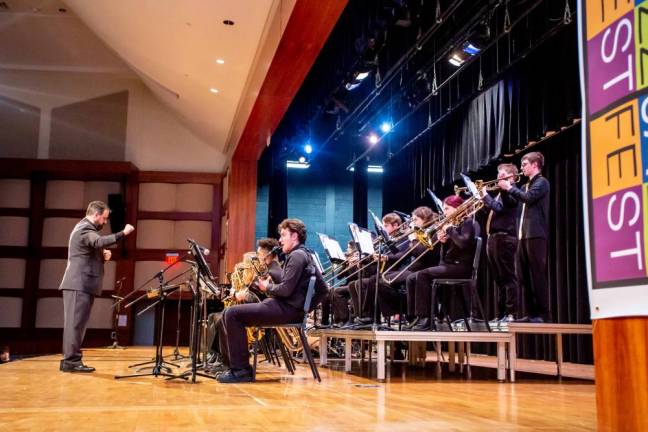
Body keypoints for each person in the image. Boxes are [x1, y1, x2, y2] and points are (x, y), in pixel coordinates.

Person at [217, 218, 326, 383]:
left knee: (232, 314)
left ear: (294, 236)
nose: (280, 240)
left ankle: (240, 370)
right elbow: (323, 289)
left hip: (284, 308)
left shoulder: (296, 256)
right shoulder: (306, 254)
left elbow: (285, 289)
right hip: (287, 309)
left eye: (283, 235)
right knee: (228, 313)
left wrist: (266, 287)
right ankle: (235, 367)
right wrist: (304, 310)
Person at [59, 201, 134, 372]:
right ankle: (71, 361)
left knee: (77, 324)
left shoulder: (84, 229)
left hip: (82, 284)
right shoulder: (85, 228)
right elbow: (99, 242)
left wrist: (102, 258)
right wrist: (123, 233)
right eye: (104, 218)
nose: (105, 222)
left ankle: (71, 361)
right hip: (79, 284)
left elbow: (89, 251)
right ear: (96, 215)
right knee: (75, 324)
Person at [206, 238, 282, 370]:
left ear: (266, 255)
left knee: (226, 316)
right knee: (220, 316)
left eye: (259, 254)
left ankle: (230, 362)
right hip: (261, 307)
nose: (256, 257)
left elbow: (262, 297)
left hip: (265, 311)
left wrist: (241, 294)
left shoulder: (273, 271)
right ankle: (220, 358)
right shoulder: (267, 270)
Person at [407, 196, 478, 331]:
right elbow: (449, 251)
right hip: (450, 265)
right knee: (419, 275)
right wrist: (443, 242)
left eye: (447, 208)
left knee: (423, 275)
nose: (444, 212)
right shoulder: (455, 224)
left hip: (461, 267)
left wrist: (450, 230)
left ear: (457, 208)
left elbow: (463, 243)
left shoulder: (468, 222)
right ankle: (419, 317)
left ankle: (427, 319)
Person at [498, 151, 551, 323]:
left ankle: (543, 314)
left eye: (525, 164)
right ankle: (531, 314)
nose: (521, 168)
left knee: (538, 276)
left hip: (536, 235)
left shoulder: (542, 183)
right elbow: (511, 204)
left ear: (535, 165)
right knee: (524, 277)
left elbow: (528, 199)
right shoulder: (524, 186)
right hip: (522, 236)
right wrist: (505, 190)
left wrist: (510, 187)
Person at [376, 207, 439, 325]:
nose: (412, 222)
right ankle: (405, 311)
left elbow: (423, 253)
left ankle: (409, 315)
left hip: (424, 268)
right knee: (382, 279)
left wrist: (413, 239)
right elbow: (406, 254)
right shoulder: (419, 232)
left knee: (389, 281)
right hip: (413, 269)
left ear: (424, 219)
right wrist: (387, 256)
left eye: (415, 219)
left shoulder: (431, 231)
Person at [348, 212, 405, 324]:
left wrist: (385, 257)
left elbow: (402, 254)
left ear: (396, 225)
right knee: (354, 284)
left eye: (386, 226)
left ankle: (371, 317)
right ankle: (360, 315)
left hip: (398, 271)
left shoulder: (403, 237)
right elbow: (376, 256)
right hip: (387, 271)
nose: (383, 229)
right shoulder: (386, 240)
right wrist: (363, 260)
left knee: (373, 280)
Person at [482, 163, 520, 323]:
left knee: (508, 277)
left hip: (505, 238)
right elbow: (494, 211)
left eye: (502, 174)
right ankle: (500, 313)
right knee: (498, 279)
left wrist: (485, 195)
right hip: (493, 238)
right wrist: (483, 200)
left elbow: (500, 208)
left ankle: (511, 313)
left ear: (511, 177)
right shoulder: (499, 194)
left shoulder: (513, 192)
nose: (498, 177)